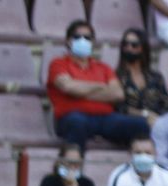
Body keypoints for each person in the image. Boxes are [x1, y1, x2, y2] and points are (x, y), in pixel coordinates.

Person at [48, 20, 150, 148]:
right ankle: (74, 166)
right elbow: (67, 87)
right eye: (77, 37)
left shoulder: (103, 67)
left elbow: (118, 94)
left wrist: (79, 91)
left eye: (87, 38)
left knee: (140, 124)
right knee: (77, 122)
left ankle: (132, 166)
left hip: (105, 118)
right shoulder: (58, 63)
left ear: (93, 42)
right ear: (68, 41)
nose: (82, 40)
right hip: (72, 117)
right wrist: (101, 88)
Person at [115, 28, 168, 128]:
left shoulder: (156, 77)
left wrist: (159, 118)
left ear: (143, 48)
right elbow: (118, 107)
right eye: (125, 44)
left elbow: (166, 103)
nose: (129, 48)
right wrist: (144, 114)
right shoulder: (116, 76)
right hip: (128, 124)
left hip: (157, 123)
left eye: (134, 45)